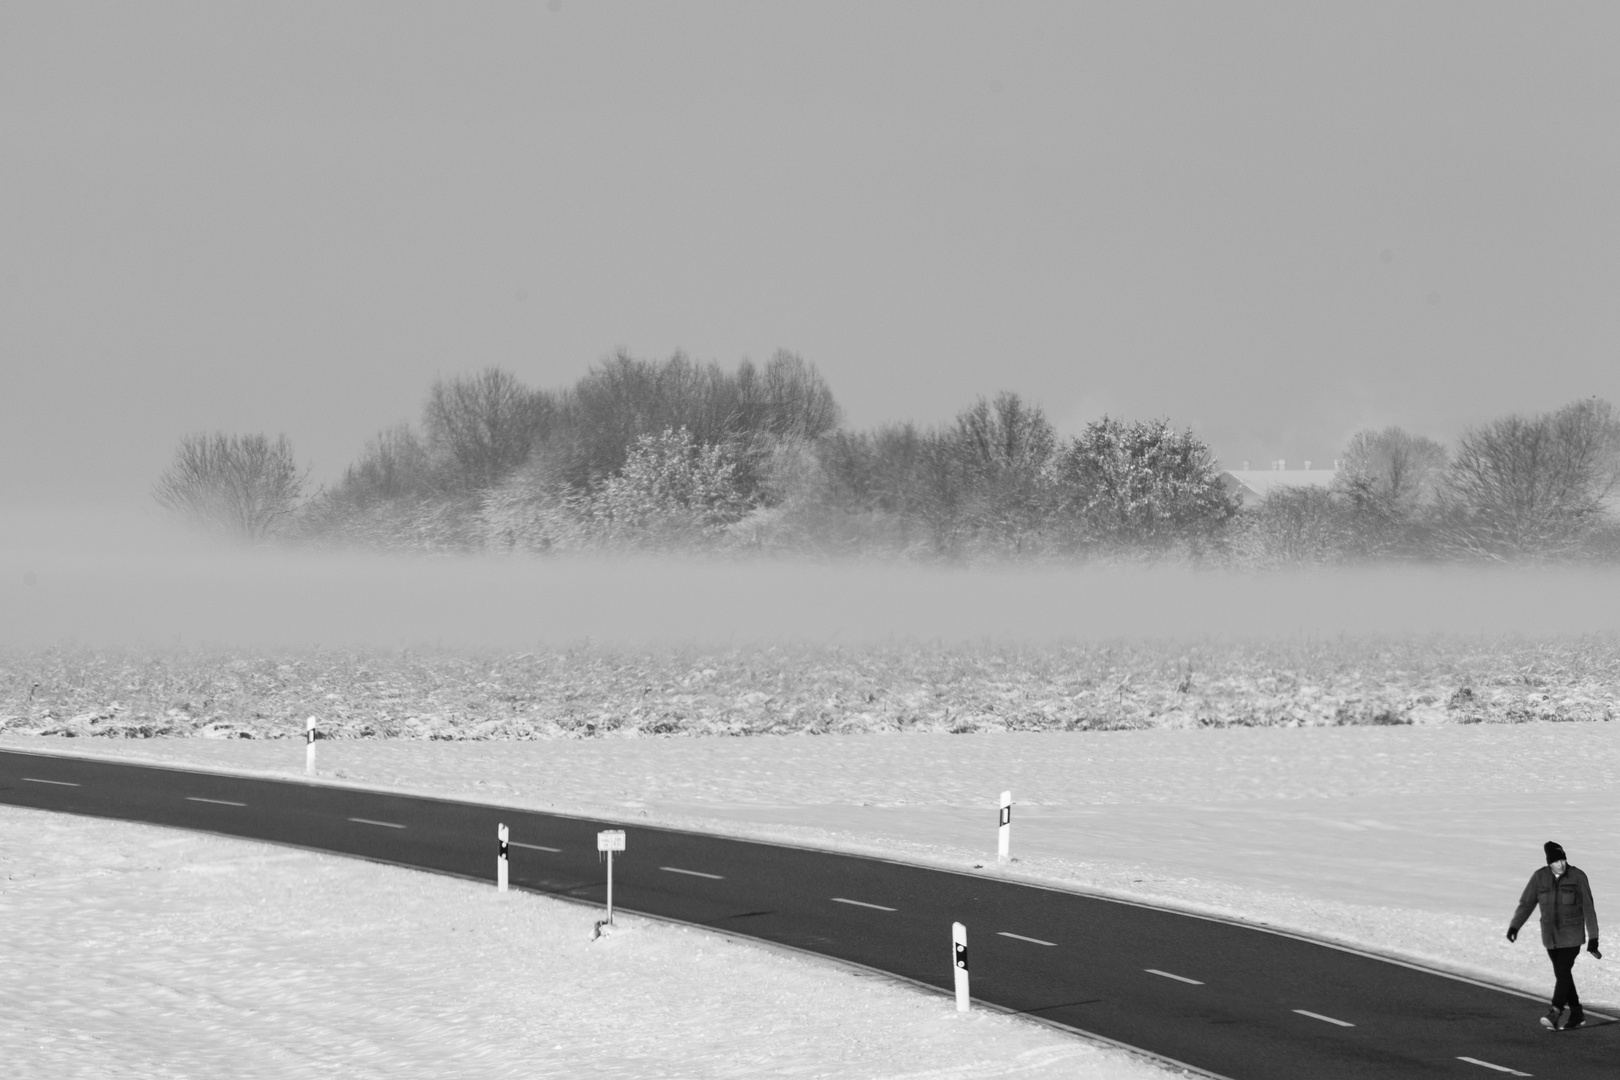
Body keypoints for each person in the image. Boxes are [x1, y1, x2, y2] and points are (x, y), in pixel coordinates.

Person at [1507, 841, 1601, 1030]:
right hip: (1551, 937)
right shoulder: (1539, 877)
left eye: (1563, 860)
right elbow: (1527, 903)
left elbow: (1589, 908)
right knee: (1562, 974)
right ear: (1549, 862)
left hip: (1572, 935)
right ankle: (1576, 1013)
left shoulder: (1578, 876)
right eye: (1557, 861)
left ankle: (1556, 1011)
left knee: (1563, 972)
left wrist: (1593, 938)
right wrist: (1515, 926)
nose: (1561, 864)